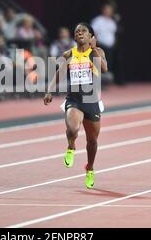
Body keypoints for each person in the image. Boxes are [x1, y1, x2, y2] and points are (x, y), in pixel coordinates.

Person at [44, 22, 107, 189]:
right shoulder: (68, 54)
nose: (80, 33)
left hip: (91, 101)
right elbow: (60, 73)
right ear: (74, 36)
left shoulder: (97, 52)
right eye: (77, 31)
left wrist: (93, 50)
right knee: (72, 129)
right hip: (74, 100)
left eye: (83, 31)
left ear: (90, 36)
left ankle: (90, 168)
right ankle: (71, 146)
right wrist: (49, 90)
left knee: (92, 141)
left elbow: (104, 69)